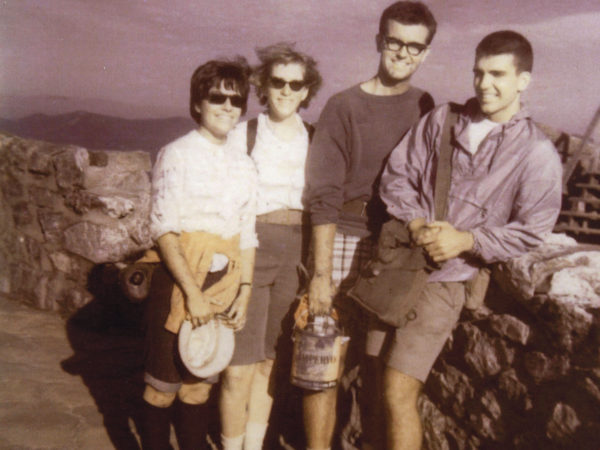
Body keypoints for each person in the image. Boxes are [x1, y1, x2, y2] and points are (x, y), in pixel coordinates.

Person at [371, 30, 562, 449]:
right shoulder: (442, 120)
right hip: (399, 265)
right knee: (368, 379)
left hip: (447, 282)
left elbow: (532, 230)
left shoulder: (537, 154)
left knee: (398, 390)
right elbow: (397, 176)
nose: (484, 84)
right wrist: (418, 223)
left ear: (522, 81)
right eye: (478, 72)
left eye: (497, 74)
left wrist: (467, 240)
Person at [303, 2, 437, 449]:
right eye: (395, 41)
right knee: (322, 363)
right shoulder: (344, 106)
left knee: (378, 370)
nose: (403, 52)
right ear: (379, 41)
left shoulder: (425, 106)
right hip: (341, 239)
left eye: (414, 46)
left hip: (394, 251)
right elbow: (323, 195)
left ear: (425, 53)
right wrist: (321, 275)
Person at [141, 58, 258, 450]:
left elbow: (247, 232)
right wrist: (191, 293)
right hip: (180, 282)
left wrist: (244, 290)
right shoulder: (177, 155)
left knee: (198, 391)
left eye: (236, 100)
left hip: (223, 286)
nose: (228, 107)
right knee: (162, 390)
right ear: (198, 104)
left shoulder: (244, 165)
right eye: (217, 98)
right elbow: (164, 230)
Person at [219, 43, 322, 450]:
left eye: (295, 84)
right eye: (277, 81)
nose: (285, 90)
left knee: (269, 364)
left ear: (306, 91)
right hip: (250, 248)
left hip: (296, 252)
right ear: (263, 84)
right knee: (237, 368)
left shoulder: (316, 138)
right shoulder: (244, 134)